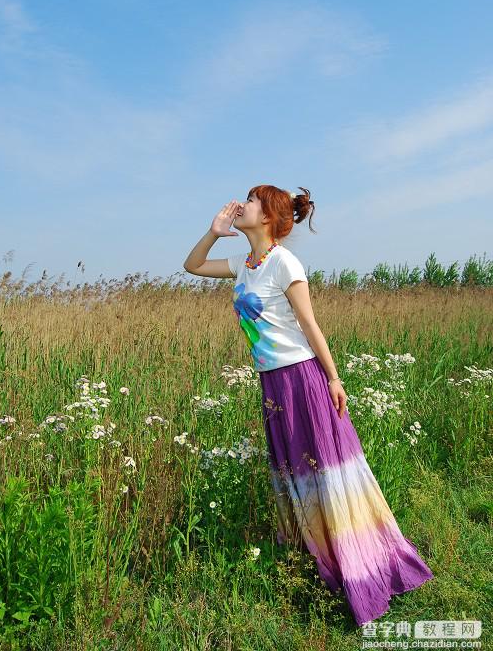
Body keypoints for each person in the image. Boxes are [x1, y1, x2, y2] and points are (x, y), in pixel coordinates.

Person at [183, 184, 433, 626]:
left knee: (327, 474)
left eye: (253, 200)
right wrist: (213, 230)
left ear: (268, 217)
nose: (243, 204)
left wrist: (334, 379)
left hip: (302, 378)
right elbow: (192, 265)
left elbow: (309, 324)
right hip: (272, 385)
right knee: (294, 475)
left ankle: (361, 570)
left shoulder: (283, 262)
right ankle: (314, 563)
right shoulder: (244, 265)